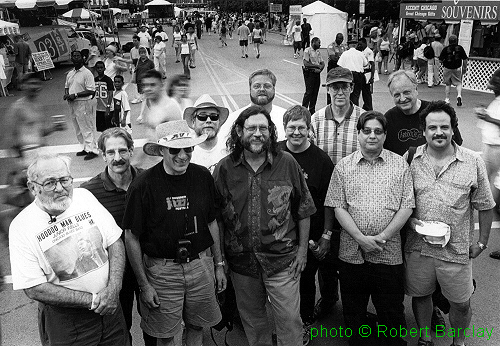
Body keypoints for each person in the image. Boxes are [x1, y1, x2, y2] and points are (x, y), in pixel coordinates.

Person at [213, 105, 316, 346]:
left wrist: (302, 252)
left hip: (282, 261)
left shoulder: (287, 163)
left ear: (270, 132)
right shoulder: (224, 168)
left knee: (290, 322)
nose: (257, 133)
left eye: (263, 128)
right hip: (242, 264)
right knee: (254, 323)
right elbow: (215, 219)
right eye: (251, 128)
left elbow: (304, 209)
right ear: (239, 132)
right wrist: (220, 261)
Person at [123, 120, 227, 346]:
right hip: (162, 271)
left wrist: (218, 265)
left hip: (200, 266)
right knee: (166, 334)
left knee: (197, 325)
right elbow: (131, 236)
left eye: (187, 148)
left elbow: (212, 222)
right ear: (161, 151)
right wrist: (144, 284)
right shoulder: (143, 185)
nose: (182, 155)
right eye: (174, 150)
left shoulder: (202, 176)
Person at [9, 154, 129, 346]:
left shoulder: (84, 197)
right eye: (50, 183)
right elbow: (33, 288)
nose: (60, 188)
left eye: (65, 180)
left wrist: (114, 289)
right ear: (33, 188)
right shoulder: (21, 226)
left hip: (110, 308)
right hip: (68, 321)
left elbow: (115, 241)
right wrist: (92, 301)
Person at [404, 100, 495, 346]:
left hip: (456, 251)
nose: (439, 132)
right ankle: (425, 338)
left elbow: (485, 205)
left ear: (453, 129)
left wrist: (482, 243)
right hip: (418, 248)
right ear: (424, 130)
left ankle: (459, 342)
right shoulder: (411, 158)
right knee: (421, 296)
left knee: (461, 303)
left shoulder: (472, 161)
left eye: (444, 126)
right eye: (432, 127)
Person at [326, 111, 414, 346]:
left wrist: (383, 237)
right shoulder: (344, 167)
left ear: (385, 135)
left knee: (391, 313)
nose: (372, 136)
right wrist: (360, 238)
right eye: (366, 131)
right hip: (351, 254)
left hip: (389, 253)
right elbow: (338, 207)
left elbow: (407, 207)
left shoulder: (400, 166)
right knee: (354, 313)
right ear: (358, 134)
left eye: (377, 131)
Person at [81, 128, 157, 345]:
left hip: (149, 268)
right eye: (111, 152)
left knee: (154, 324)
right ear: (103, 155)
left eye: (122, 151)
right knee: (121, 330)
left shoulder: (147, 180)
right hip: (115, 275)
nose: (117, 158)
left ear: (131, 151)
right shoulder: (89, 192)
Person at [279, 105, 334, 344]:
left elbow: (331, 201)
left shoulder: (321, 160)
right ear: (284, 129)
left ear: (309, 129)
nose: (297, 132)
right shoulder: (275, 152)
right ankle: (284, 323)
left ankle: (305, 321)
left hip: (309, 232)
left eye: (302, 127)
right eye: (292, 127)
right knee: (281, 281)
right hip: (279, 232)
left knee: (305, 278)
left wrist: (327, 234)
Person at [384, 70, 463, 156]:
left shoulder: (436, 112)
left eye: (406, 92)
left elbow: (456, 145)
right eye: (397, 95)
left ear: (416, 90)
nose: (402, 99)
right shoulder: (388, 119)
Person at [218, 69, 287, 142]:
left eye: (267, 86)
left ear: (274, 89)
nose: (262, 89)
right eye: (257, 86)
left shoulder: (286, 118)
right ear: (250, 89)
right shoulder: (233, 119)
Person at [475, 68, 500, 260]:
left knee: (494, 192)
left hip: (498, 148)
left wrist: (488, 117)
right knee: (489, 187)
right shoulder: (497, 99)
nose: (492, 86)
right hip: (490, 147)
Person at [64, 50, 99, 161]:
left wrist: (75, 95)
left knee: (86, 126)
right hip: (73, 103)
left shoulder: (87, 73)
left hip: (83, 103)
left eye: (78, 56)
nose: (76, 58)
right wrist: (67, 94)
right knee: (77, 127)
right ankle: (84, 147)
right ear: (71, 58)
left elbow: (91, 91)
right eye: (74, 56)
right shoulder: (70, 73)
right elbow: (67, 86)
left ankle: (92, 149)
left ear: (83, 58)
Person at [184, 94, 229, 173]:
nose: (208, 120)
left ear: (219, 122)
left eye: (214, 116)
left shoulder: (228, 148)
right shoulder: (186, 152)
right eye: (202, 116)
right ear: (193, 122)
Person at [439, 35, 468, 106]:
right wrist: (464, 67)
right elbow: (465, 58)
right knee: (458, 83)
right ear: (456, 40)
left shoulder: (446, 49)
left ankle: (447, 99)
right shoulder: (460, 48)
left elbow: (440, 60)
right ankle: (459, 95)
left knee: (448, 83)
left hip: (447, 68)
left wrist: (444, 62)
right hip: (457, 68)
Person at [337, 40, 367, 107]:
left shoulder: (345, 53)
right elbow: (365, 64)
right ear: (356, 45)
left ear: (348, 45)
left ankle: (348, 109)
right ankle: (355, 110)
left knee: (347, 94)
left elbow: (340, 65)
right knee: (356, 95)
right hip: (358, 75)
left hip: (348, 75)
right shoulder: (360, 53)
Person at [302, 37, 325, 115]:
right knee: (309, 92)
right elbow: (306, 63)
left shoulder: (318, 52)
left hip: (316, 73)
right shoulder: (307, 51)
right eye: (319, 43)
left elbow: (322, 63)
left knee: (315, 92)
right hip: (310, 73)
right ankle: (304, 109)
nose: (320, 44)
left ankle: (312, 109)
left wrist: (320, 69)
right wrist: (316, 67)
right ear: (313, 42)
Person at [134, 46, 155, 121]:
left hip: (147, 82)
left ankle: (141, 115)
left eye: (144, 53)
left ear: (146, 53)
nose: (143, 54)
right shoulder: (138, 61)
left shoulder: (150, 63)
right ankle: (154, 111)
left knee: (144, 98)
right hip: (139, 82)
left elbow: (153, 72)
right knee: (147, 99)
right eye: (141, 53)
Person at [94, 61, 114, 132]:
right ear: (95, 69)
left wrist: (108, 106)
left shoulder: (108, 80)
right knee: (101, 128)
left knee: (109, 128)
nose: (100, 69)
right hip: (99, 108)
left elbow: (110, 93)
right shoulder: (94, 80)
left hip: (107, 108)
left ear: (104, 69)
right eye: (98, 68)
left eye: (101, 68)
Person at [357, 38, 374, 111]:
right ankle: (365, 107)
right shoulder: (359, 51)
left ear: (365, 43)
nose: (359, 45)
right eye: (359, 44)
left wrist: (372, 77)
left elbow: (372, 64)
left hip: (367, 72)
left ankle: (368, 108)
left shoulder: (369, 52)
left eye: (361, 44)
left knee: (367, 92)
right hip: (360, 72)